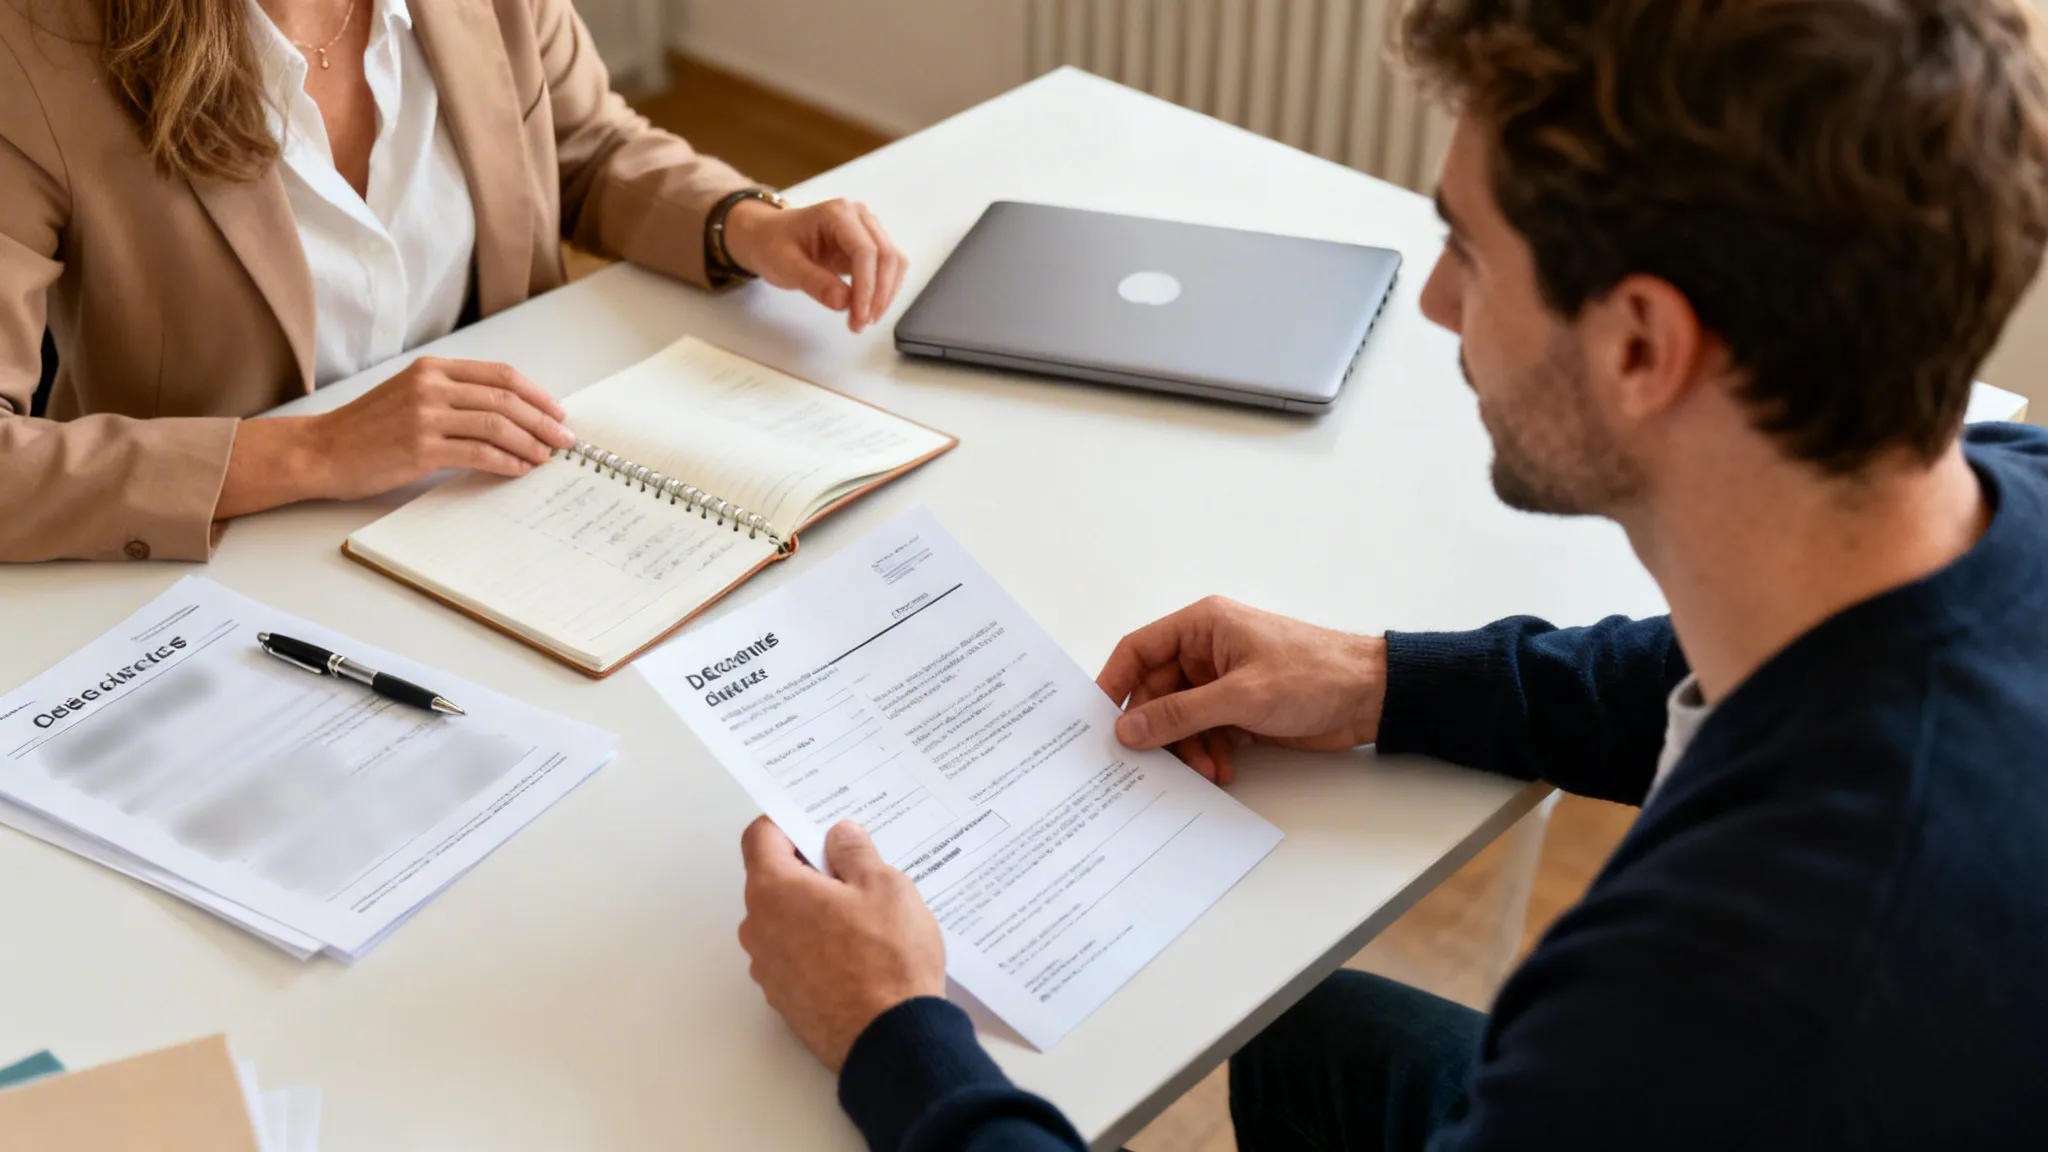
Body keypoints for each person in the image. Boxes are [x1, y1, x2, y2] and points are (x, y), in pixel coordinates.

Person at [734, 0, 2048, 1149]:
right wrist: (1379, 680)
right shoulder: (2001, 485)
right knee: (1326, 1041)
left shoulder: (1719, 998)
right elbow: (1692, 673)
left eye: (1467, 247)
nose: (1432, 302)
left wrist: (893, 1033)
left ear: (1643, 343)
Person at [0, 0, 908, 563]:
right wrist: (316, 452)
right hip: (243, 564)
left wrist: (742, 222)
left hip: (517, 512)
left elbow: (581, 143)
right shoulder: (33, 49)